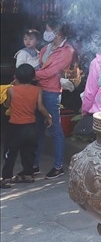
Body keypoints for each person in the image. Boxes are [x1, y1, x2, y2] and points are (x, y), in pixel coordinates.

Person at [33, 20, 76, 179]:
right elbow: (39, 66)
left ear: (58, 32)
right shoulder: (46, 48)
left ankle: (58, 166)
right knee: (38, 128)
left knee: (55, 130)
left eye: (48, 30)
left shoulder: (67, 50)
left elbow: (50, 72)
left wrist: (29, 74)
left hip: (51, 92)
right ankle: (34, 164)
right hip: (39, 89)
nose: (46, 33)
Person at [1, 65, 51, 188]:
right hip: (31, 126)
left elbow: (7, 105)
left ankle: (6, 178)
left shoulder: (11, 90)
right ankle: (28, 174)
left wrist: (12, 85)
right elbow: (40, 108)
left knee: (10, 153)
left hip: (15, 126)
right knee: (28, 151)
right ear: (33, 77)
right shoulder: (37, 90)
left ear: (15, 77)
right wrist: (48, 117)